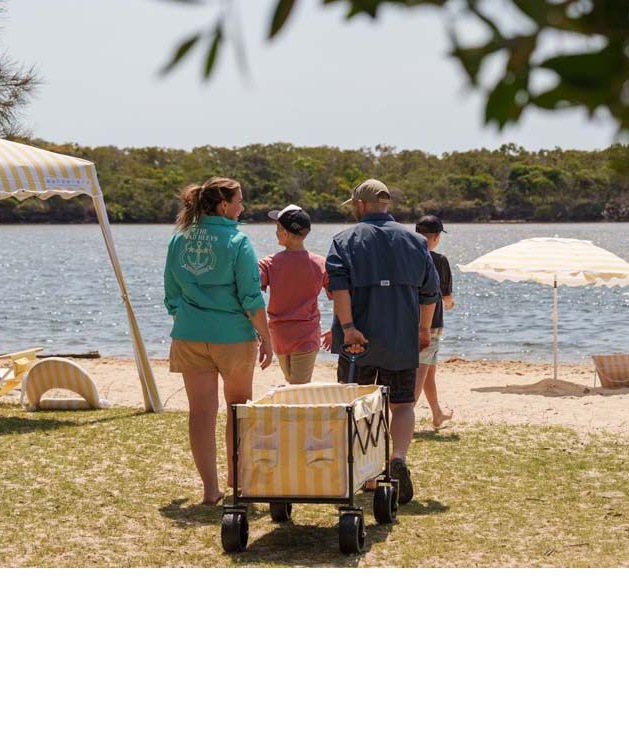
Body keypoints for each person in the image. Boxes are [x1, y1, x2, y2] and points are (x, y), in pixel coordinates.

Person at [326, 179, 439, 505]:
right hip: (401, 337)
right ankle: (398, 457)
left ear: (360, 205)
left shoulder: (344, 240)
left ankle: (370, 473)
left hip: (357, 342)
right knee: (402, 404)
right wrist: (423, 330)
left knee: (357, 404)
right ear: (386, 205)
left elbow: (340, 289)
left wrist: (347, 328)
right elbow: (429, 293)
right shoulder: (416, 241)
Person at [164, 176, 272, 505]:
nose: (243, 206)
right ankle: (237, 482)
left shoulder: (179, 239)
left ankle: (210, 490)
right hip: (233, 339)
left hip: (189, 335)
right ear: (223, 205)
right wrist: (266, 339)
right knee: (238, 409)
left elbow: (171, 294)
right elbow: (251, 298)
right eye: (239, 200)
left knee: (200, 413)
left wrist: (191, 318)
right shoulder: (238, 242)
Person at [258, 203, 329, 385]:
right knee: (297, 386)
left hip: (279, 335)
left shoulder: (269, 263)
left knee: (294, 385)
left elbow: (250, 289)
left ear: (286, 233)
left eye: (278, 228)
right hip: (306, 334)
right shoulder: (321, 264)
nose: (275, 232)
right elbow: (339, 295)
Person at [414, 214, 454, 430]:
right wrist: (450, 304)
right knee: (421, 371)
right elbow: (446, 297)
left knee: (429, 371)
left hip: (408, 321)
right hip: (431, 325)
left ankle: (437, 413)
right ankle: (404, 415)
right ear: (436, 237)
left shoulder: (407, 258)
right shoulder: (439, 261)